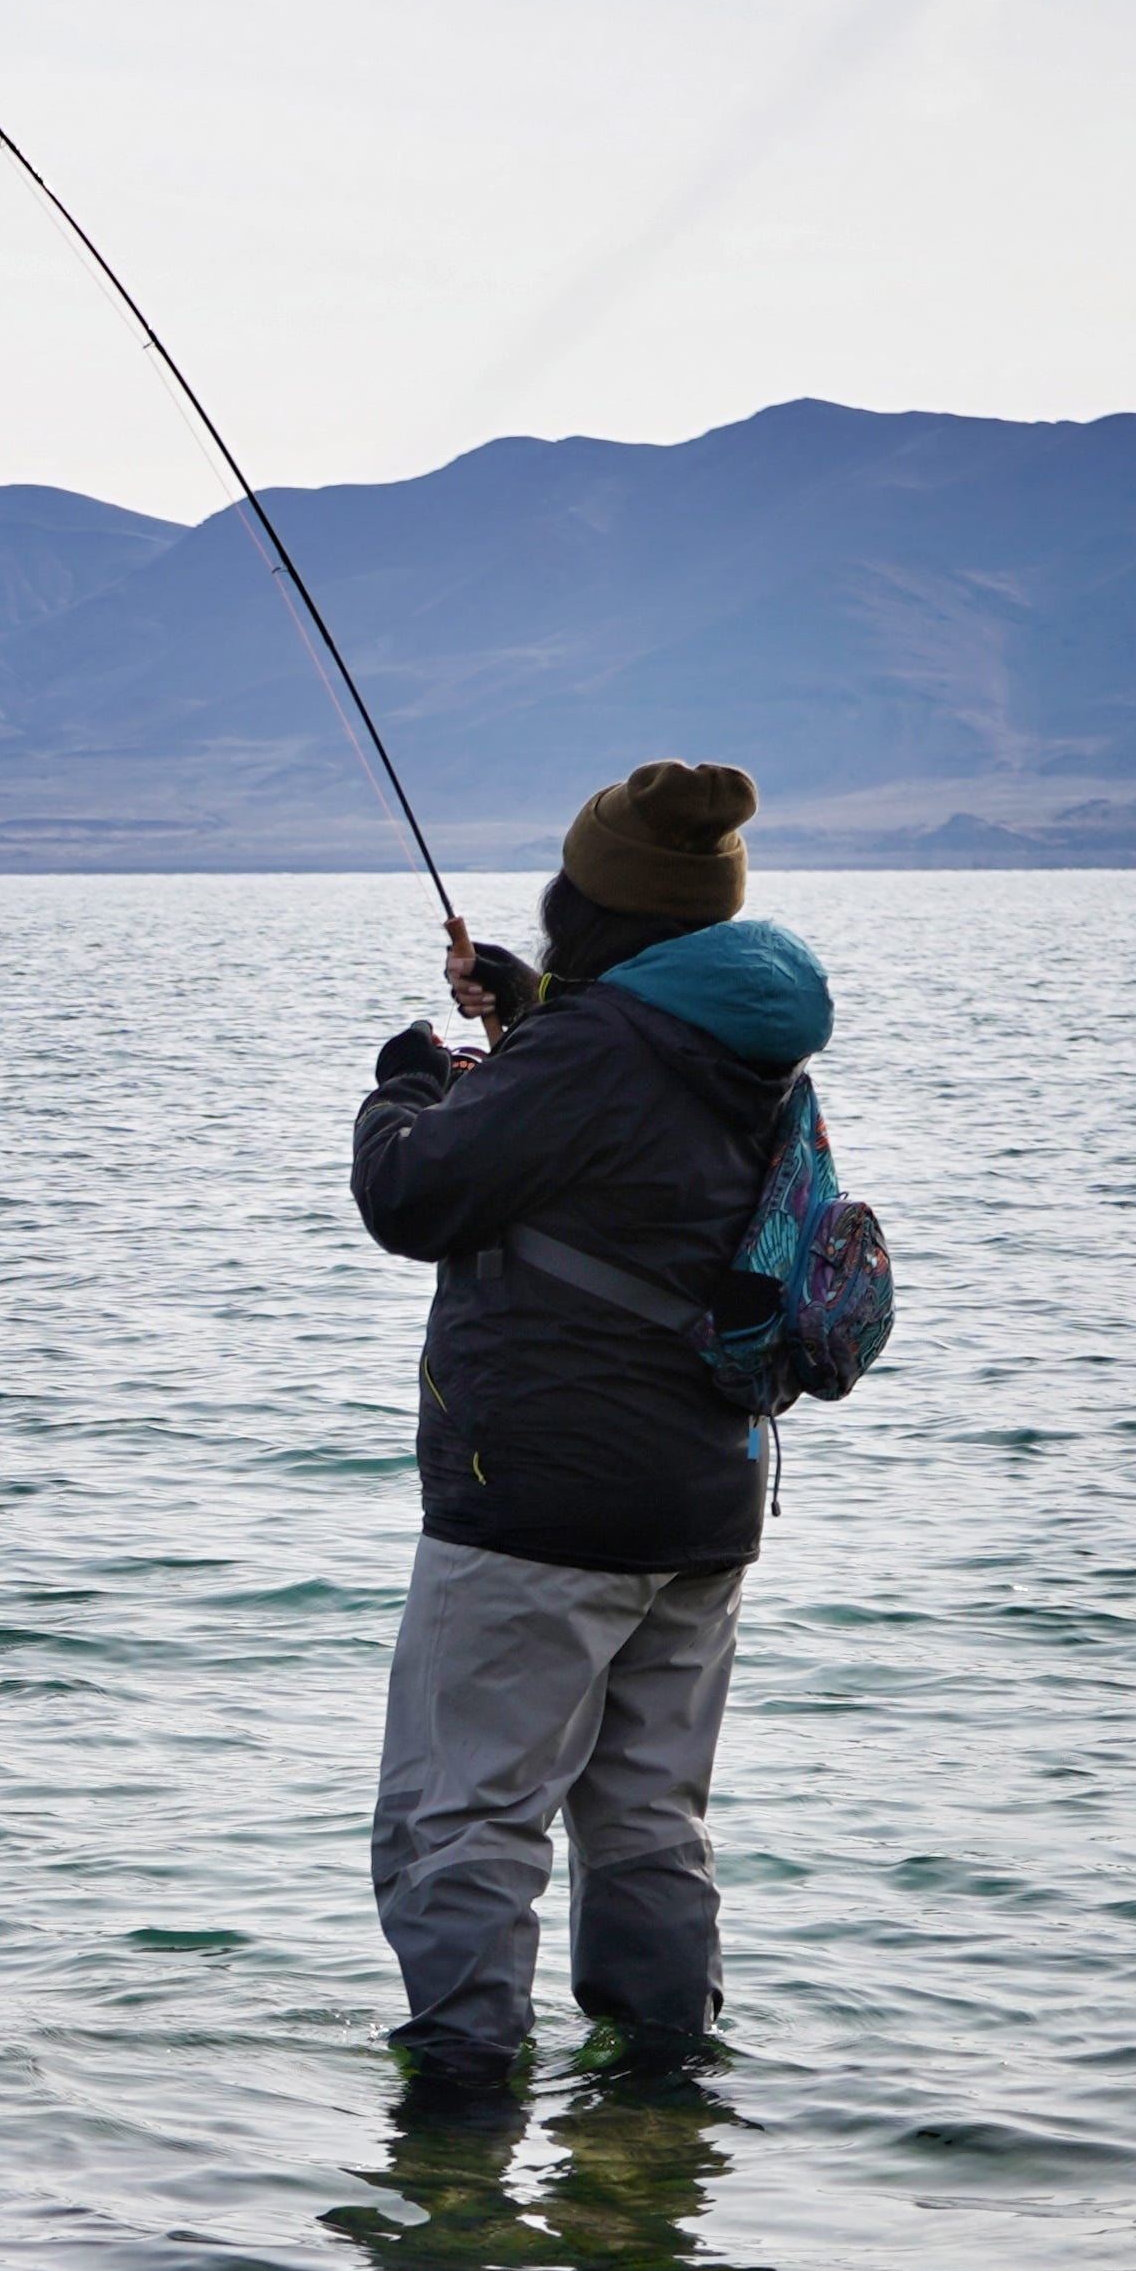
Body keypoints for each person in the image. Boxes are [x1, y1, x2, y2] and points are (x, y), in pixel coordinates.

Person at [346, 760, 835, 2114]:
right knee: (647, 1823)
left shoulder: (587, 1053)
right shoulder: (747, 1042)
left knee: (462, 1817)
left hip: (541, 1505)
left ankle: (460, 2100)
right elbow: (628, 1112)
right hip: (702, 1500)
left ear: (598, 904)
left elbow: (411, 1194)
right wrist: (537, 1009)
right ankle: (660, 2097)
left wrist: (405, 1085)